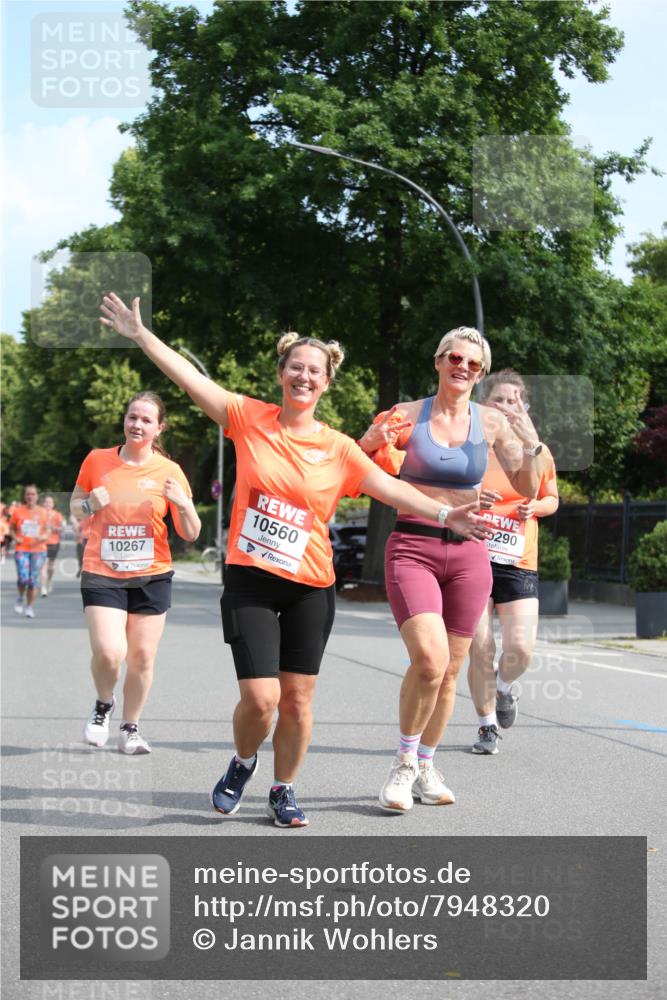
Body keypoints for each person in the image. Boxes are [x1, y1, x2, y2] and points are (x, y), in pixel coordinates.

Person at [99, 293, 492, 828]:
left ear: (327, 382)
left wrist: (448, 515)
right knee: (261, 701)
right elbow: (191, 380)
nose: (305, 377)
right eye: (297, 368)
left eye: (316, 371)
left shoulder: (339, 448)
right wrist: (142, 335)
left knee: (298, 701)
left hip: (311, 586)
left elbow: (393, 490)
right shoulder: (247, 417)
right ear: (282, 373)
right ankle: (242, 762)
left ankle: (283, 789)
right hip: (252, 581)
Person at [358, 327, 544, 813]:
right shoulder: (404, 415)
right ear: (438, 361)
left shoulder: (492, 423)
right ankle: (401, 765)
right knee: (428, 660)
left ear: (480, 375)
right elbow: (356, 471)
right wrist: (367, 441)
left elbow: (526, 486)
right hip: (413, 549)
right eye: (455, 357)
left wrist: (530, 446)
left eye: (474, 364)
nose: (463, 367)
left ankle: (426, 763)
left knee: (450, 673)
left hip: (469, 556)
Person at [70, 391, 201, 755]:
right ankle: (103, 704)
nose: (137, 425)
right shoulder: (98, 460)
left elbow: (191, 532)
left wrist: (184, 504)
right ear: (124, 421)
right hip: (103, 572)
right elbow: (76, 510)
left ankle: (131, 727)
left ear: (159, 428)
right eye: (132, 417)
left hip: (152, 574)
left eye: (146, 420)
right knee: (110, 653)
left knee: (142, 656)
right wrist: (88, 504)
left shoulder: (170, 472)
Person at [468, 370, 559, 754]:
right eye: (500, 400)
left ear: (525, 408)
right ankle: (487, 725)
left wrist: (535, 505)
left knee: (521, 648)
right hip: (472, 552)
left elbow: (552, 498)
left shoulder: (538, 450)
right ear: (485, 405)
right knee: (480, 647)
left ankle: (504, 689)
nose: (508, 407)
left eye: (515, 400)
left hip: (518, 558)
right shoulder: (469, 445)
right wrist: (473, 504)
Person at [9, 485, 49, 619]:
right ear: (25, 496)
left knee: (32, 581)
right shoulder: (18, 512)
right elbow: (12, 529)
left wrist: (44, 537)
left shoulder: (44, 512)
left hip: (38, 550)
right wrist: (16, 538)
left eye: (33, 494)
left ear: (37, 496)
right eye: (28, 494)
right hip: (22, 549)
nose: (30, 496)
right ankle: (20, 597)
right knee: (23, 578)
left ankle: (29, 607)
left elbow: (48, 530)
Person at [40, 495, 65, 596]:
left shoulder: (57, 515)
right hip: (42, 543)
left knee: (50, 566)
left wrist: (54, 528)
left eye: (50, 502)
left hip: (54, 542)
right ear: (43, 504)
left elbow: (62, 528)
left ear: (53, 504)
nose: (48, 504)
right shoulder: (40, 514)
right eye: (46, 502)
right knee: (43, 565)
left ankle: (49, 580)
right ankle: (43, 588)